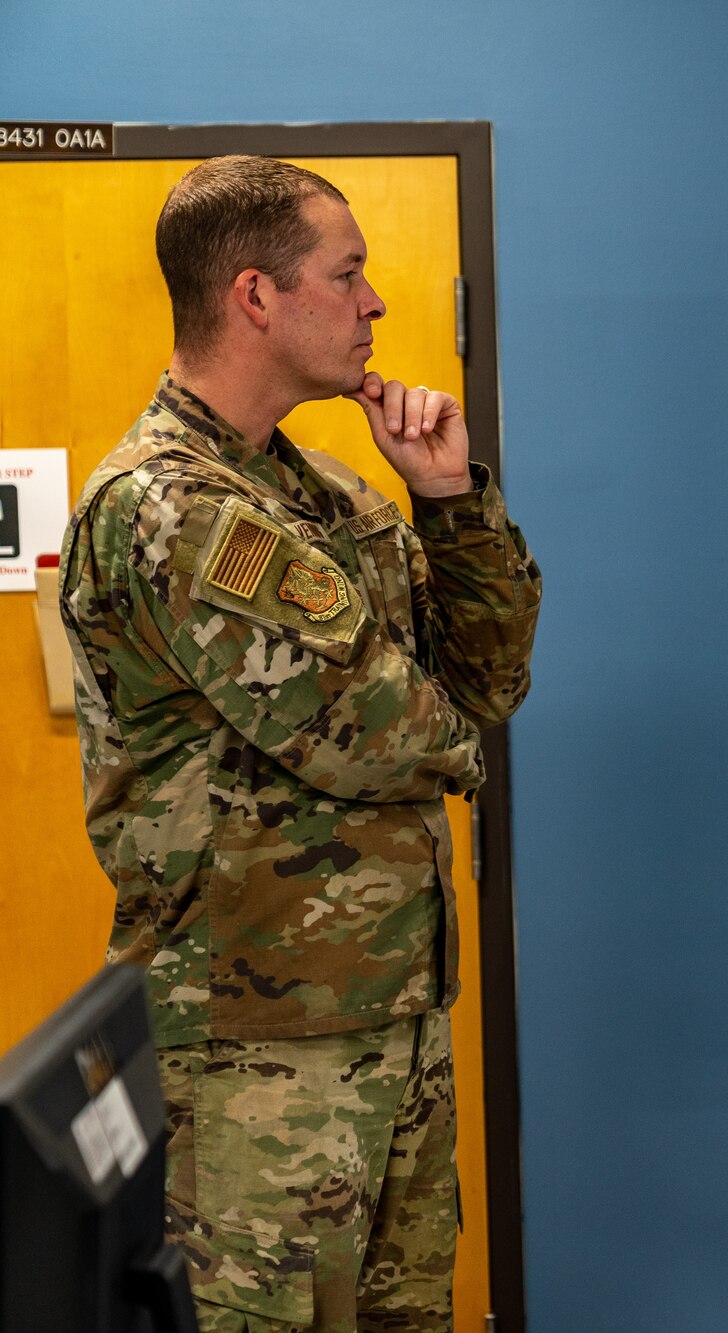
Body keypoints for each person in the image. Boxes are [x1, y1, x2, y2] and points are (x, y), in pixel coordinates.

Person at [58, 155, 541, 1332]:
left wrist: (450, 503)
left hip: (384, 1020)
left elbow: (485, 681)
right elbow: (377, 734)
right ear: (256, 296)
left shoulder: (323, 492)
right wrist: (455, 747)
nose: (375, 303)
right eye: (350, 272)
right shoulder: (173, 507)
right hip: (253, 1060)